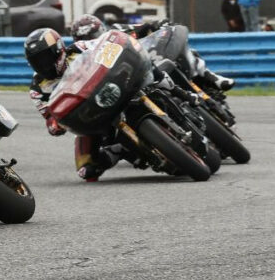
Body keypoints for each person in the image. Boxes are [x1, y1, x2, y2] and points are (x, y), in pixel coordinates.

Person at [25, 27, 183, 182]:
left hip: (116, 85)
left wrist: (127, 39)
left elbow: (110, 45)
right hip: (90, 113)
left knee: (150, 65)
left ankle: (180, 92)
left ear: (59, 49)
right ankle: (120, 150)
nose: (42, 65)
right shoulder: (37, 89)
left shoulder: (80, 48)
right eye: (36, 61)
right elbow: (49, 117)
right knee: (85, 171)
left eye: (45, 58)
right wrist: (55, 125)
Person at [69, 14, 234, 91]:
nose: (94, 40)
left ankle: (213, 78)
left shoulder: (117, 31)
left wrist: (158, 24)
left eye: (95, 35)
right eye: (88, 38)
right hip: (123, 82)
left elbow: (143, 28)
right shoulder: (84, 59)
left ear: (102, 29)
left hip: (146, 62)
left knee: (186, 50)